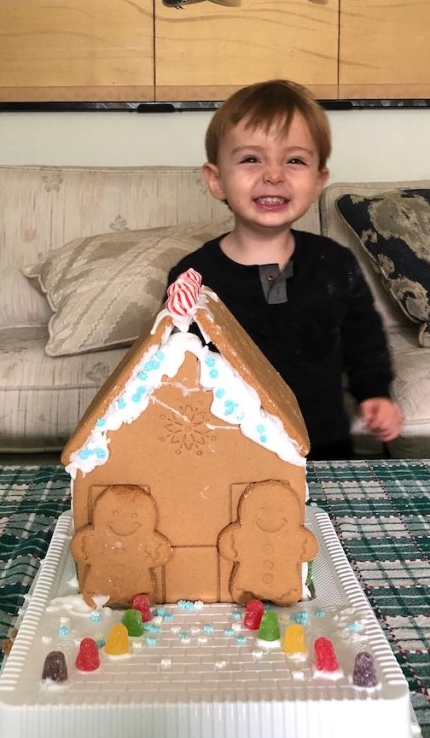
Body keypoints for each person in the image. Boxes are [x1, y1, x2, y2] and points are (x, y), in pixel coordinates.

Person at [167, 79, 402, 460]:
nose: (274, 174)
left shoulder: (334, 263)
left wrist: (375, 393)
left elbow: (366, 339)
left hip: (323, 449)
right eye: (251, 159)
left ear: (317, 181)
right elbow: (174, 361)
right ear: (216, 180)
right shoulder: (193, 276)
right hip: (224, 452)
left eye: (294, 160)